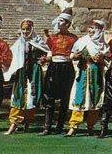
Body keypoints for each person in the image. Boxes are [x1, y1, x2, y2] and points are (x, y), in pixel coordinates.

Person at [65, 20, 110, 137]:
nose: (90, 31)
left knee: (94, 101)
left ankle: (91, 126)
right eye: (90, 28)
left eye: (94, 29)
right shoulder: (82, 42)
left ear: (99, 31)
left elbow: (109, 62)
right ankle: (73, 127)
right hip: (83, 73)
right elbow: (72, 56)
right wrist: (76, 56)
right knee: (79, 98)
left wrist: (101, 60)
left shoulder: (104, 46)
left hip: (96, 76)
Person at [4, 19, 50, 135]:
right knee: (18, 96)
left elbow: (47, 52)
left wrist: (44, 59)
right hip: (22, 72)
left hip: (34, 71)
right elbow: (10, 55)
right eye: (23, 29)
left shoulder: (37, 41)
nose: (25, 31)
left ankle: (27, 123)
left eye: (27, 29)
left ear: (32, 29)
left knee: (31, 96)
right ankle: (14, 123)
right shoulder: (19, 43)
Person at [39, 8, 77, 136]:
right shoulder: (52, 38)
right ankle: (47, 127)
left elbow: (75, 53)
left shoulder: (73, 38)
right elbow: (48, 51)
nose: (58, 23)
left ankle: (60, 126)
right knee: (49, 97)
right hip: (53, 67)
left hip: (66, 68)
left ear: (67, 24)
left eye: (61, 21)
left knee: (64, 98)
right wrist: (46, 58)